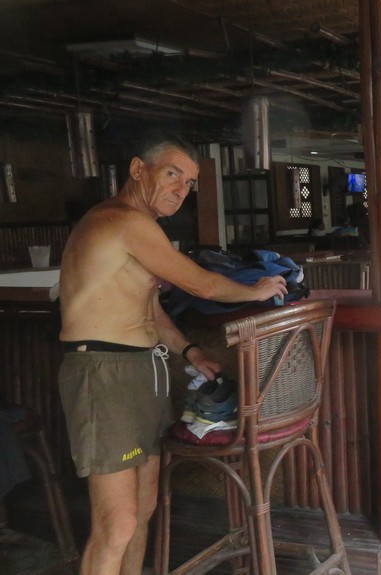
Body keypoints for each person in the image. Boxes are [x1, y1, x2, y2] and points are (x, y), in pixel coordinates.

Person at [58, 133, 288, 575]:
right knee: (117, 525)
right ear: (137, 170)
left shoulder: (141, 228)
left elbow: (149, 310)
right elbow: (202, 285)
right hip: (104, 374)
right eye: (172, 174)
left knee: (143, 511)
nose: (182, 189)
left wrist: (191, 351)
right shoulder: (121, 219)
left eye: (189, 183)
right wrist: (256, 289)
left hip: (142, 370)